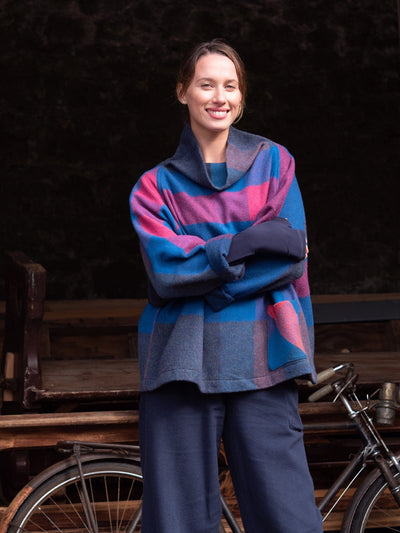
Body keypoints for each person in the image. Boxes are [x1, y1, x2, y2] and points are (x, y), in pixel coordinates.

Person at [129, 39, 323, 533]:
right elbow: (167, 272)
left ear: (241, 95)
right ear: (183, 91)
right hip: (179, 361)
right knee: (177, 521)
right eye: (206, 84)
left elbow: (290, 261)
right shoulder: (154, 187)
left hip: (263, 354)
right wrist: (243, 244)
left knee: (289, 518)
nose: (220, 97)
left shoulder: (275, 163)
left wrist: (211, 281)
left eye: (230, 86)